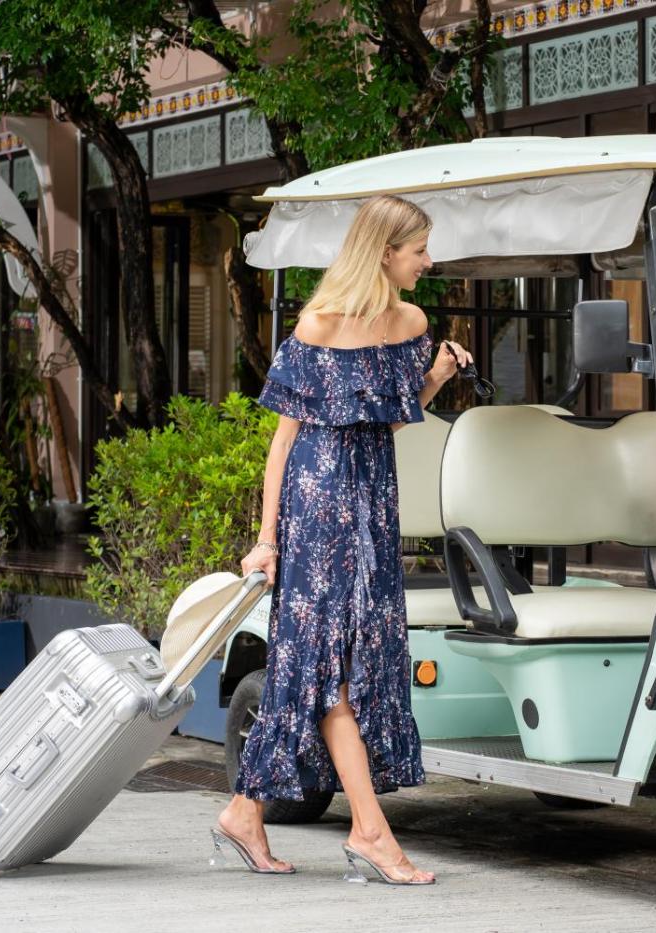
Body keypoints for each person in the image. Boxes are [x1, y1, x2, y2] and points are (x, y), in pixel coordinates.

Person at [212, 195, 470, 885]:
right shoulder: (318, 324)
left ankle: (244, 812)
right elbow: (282, 443)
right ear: (385, 252)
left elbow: (388, 418)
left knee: (317, 665)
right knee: (332, 671)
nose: (429, 261)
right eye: (420, 249)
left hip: (372, 509)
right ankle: (370, 832)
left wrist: (436, 377)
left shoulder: (412, 323)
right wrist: (266, 539)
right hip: (317, 509)